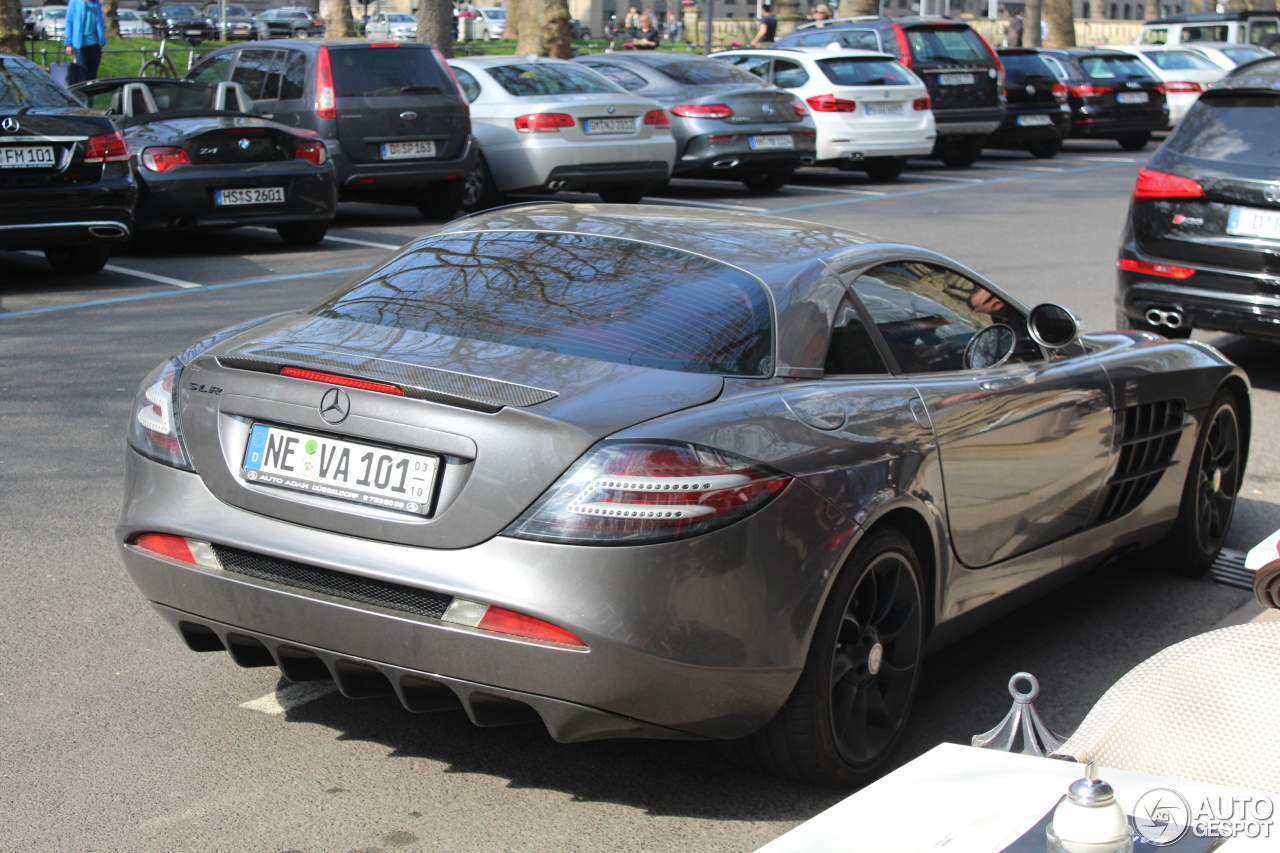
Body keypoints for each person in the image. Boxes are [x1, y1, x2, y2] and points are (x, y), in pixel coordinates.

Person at [64, 0, 107, 83]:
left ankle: (90, 95)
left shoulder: (96, 3)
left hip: (95, 44)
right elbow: (69, 22)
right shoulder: (74, 2)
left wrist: (101, 40)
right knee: (81, 74)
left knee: (92, 75)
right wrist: (68, 43)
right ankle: (80, 95)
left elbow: (99, 22)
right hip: (80, 45)